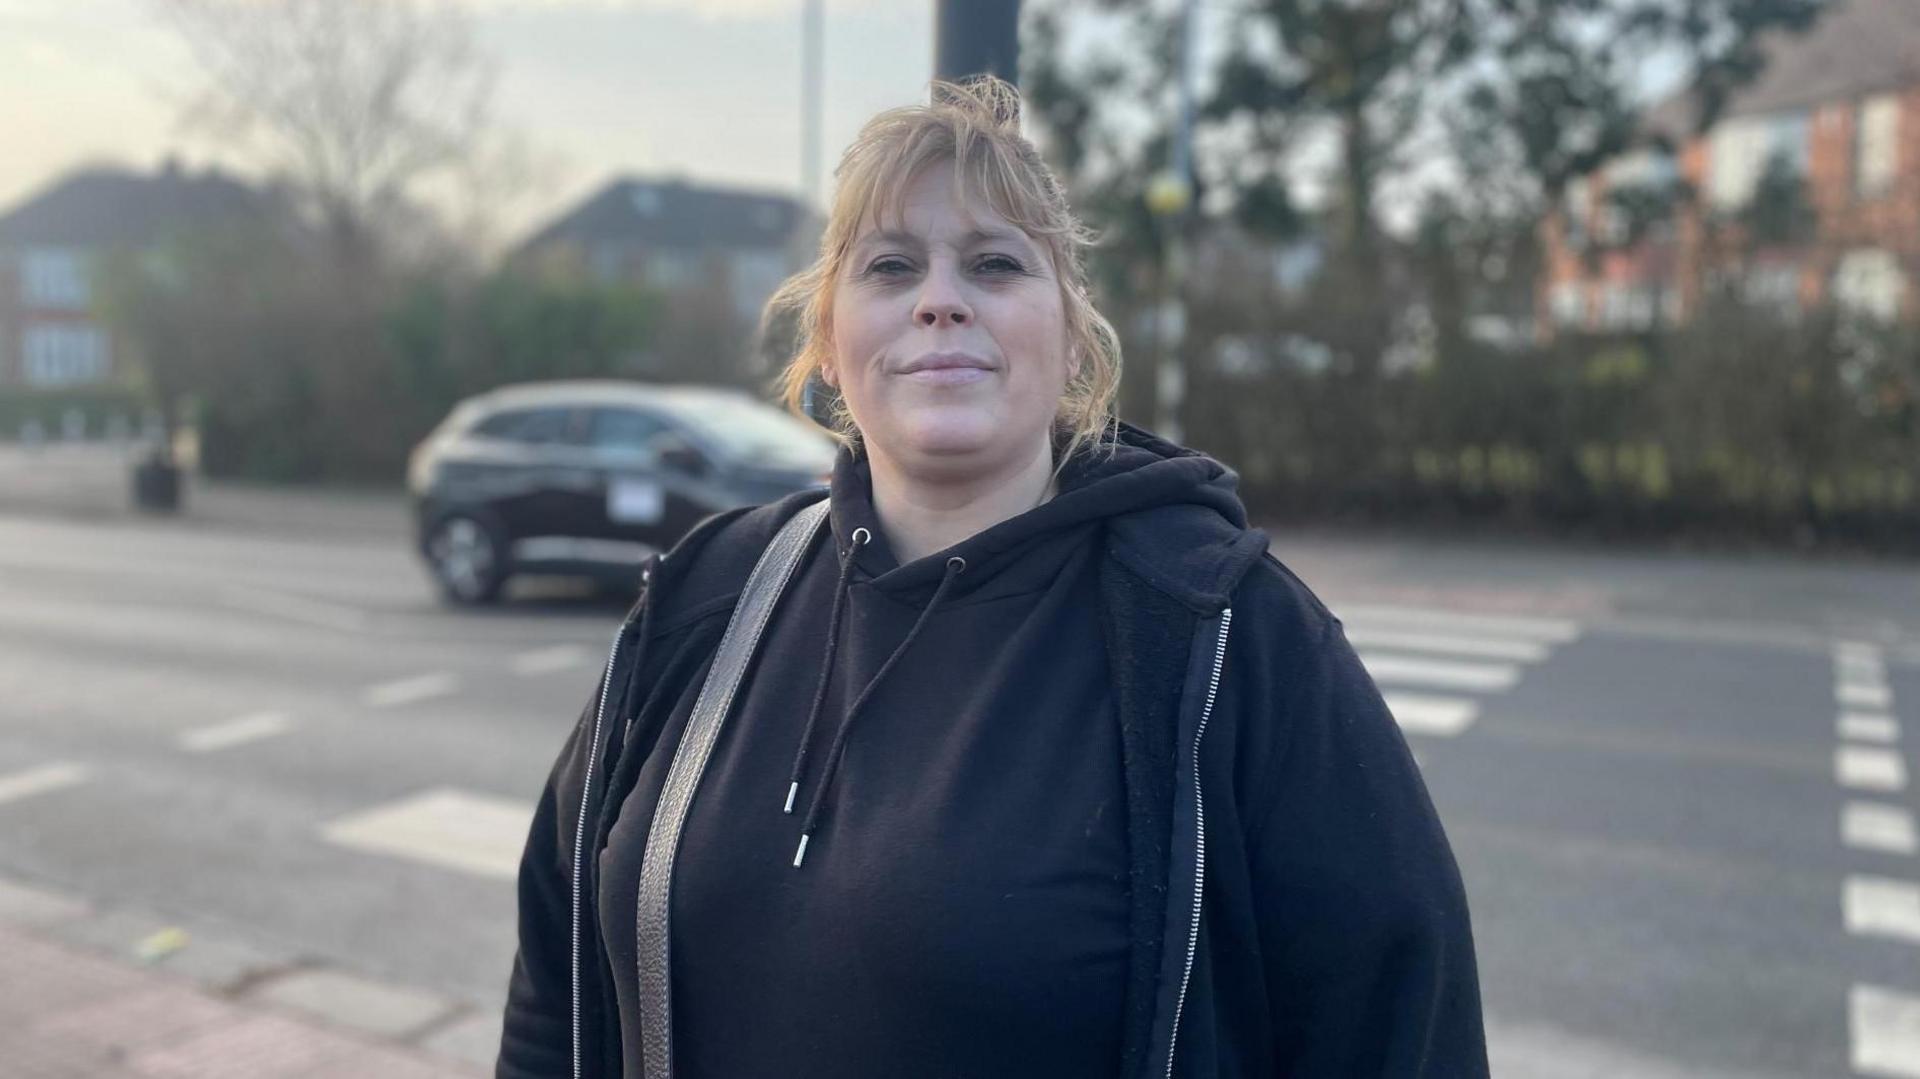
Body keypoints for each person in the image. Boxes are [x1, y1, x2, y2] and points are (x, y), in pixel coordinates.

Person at [498, 77, 1486, 1079]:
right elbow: (554, 982)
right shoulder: (708, 597)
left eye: (995, 263)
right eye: (890, 265)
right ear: (830, 346)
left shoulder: (1228, 635)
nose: (939, 298)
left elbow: (1399, 1025)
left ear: (1070, 343)